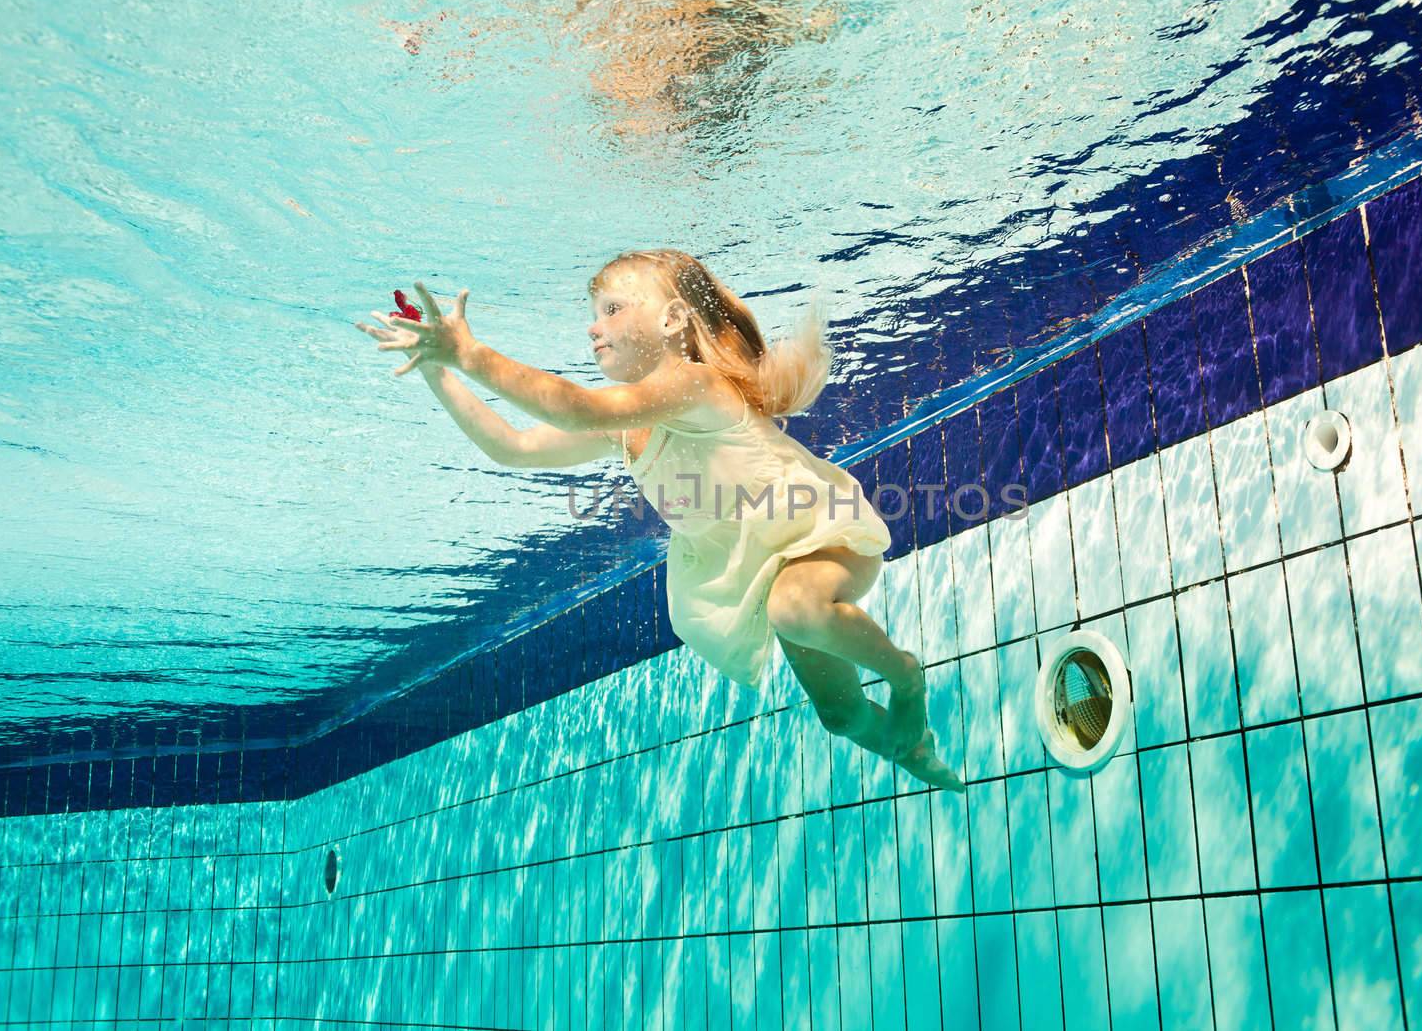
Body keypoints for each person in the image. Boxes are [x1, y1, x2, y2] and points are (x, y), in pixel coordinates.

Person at [356, 249, 965, 792]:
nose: (595, 326)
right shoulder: (625, 427)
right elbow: (511, 447)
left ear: (673, 321)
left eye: (614, 308)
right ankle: (909, 750)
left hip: (815, 536)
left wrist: (470, 352)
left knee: (795, 610)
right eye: (593, 314)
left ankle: (907, 677)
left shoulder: (697, 385)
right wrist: (438, 367)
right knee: (841, 717)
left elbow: (576, 407)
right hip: (752, 565)